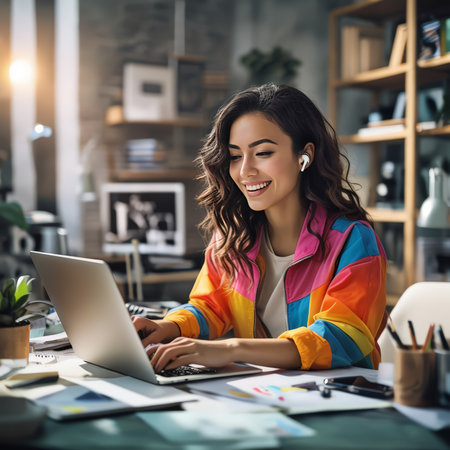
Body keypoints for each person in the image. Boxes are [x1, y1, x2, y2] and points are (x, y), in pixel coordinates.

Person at [133, 83, 387, 373]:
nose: (245, 171)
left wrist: (231, 348)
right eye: (235, 156)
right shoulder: (233, 237)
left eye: (263, 153)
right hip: (267, 396)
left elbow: (341, 338)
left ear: (305, 156)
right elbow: (210, 307)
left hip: (345, 401)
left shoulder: (354, 241)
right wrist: (168, 328)